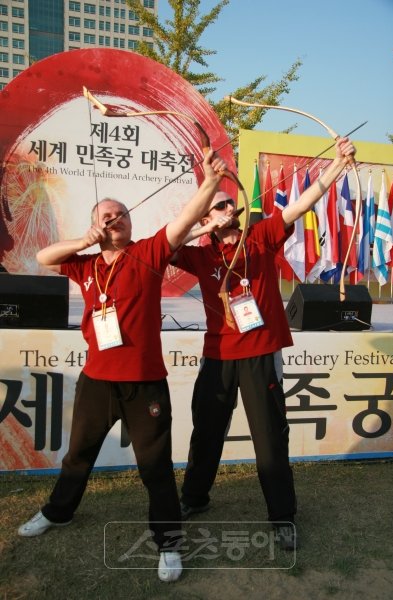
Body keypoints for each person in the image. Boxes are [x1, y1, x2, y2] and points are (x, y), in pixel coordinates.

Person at [17, 149, 228, 583]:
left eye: (123, 215)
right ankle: (58, 513)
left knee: (155, 466)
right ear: (97, 223)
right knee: (78, 456)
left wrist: (208, 183)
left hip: (145, 382)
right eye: (108, 215)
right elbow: (43, 258)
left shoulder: (149, 253)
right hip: (97, 381)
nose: (117, 220)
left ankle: (168, 541)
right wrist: (83, 240)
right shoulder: (87, 263)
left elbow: (185, 221)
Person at [172, 137, 356, 551]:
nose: (224, 210)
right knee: (207, 431)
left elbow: (302, 204)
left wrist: (337, 164)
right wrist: (199, 228)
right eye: (214, 207)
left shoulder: (260, 236)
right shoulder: (200, 256)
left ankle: (282, 515)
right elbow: (164, 247)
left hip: (259, 354)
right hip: (218, 356)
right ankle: (194, 498)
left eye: (225, 205)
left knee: (270, 436)